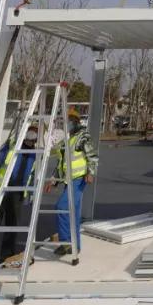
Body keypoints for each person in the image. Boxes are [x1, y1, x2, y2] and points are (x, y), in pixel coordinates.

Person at [0, 125, 38, 267]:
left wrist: (30, 194)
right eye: (31, 131)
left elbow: (33, 175)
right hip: (1, 189)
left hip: (18, 192)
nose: (32, 134)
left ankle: (7, 256)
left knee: (12, 226)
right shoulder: (11, 146)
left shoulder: (35, 154)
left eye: (35, 132)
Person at [49, 108, 98, 255]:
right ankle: (75, 246)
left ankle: (66, 243)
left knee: (62, 207)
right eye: (66, 121)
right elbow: (61, 164)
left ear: (76, 122)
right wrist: (53, 180)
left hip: (78, 179)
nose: (67, 124)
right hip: (68, 181)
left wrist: (91, 173)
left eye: (70, 121)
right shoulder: (66, 141)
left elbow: (92, 156)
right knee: (73, 214)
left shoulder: (83, 137)